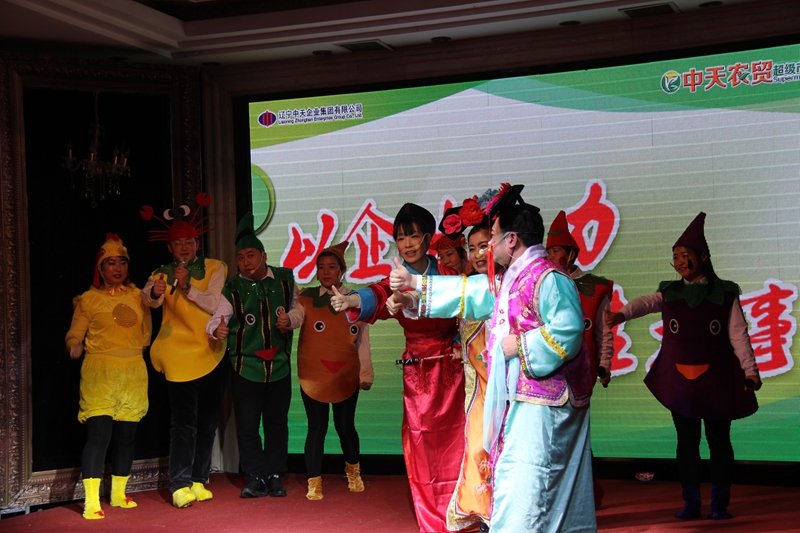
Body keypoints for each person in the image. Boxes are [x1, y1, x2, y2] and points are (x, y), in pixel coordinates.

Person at [390, 184, 596, 533]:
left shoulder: (548, 278)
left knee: (534, 482)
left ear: (512, 240)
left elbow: (568, 331)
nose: (488, 246)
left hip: (548, 401)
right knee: (520, 479)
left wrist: (522, 345)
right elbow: (468, 293)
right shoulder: (512, 279)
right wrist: (416, 285)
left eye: (493, 238)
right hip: (524, 397)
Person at [604, 212, 761, 521]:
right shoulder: (671, 292)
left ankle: (719, 503)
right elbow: (646, 303)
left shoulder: (724, 293)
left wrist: (750, 371)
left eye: (685, 255)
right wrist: (621, 315)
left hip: (716, 381)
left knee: (719, 442)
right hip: (681, 382)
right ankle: (691, 502)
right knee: (686, 444)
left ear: (703, 257)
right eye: (675, 257)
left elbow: (738, 334)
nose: (679, 262)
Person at [331, 203, 463, 533]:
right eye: (401, 238)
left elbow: (466, 309)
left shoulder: (449, 276)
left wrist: (460, 341)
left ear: (428, 238)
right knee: (421, 440)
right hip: (418, 370)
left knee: (458, 438)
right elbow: (377, 294)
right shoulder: (395, 279)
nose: (407, 243)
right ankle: (433, 515)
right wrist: (351, 300)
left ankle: (463, 510)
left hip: (453, 365)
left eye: (414, 236)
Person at [140, 194, 228, 509]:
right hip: (178, 355)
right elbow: (146, 299)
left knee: (208, 421)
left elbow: (213, 303)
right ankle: (179, 483)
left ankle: (198, 479)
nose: (184, 248)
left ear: (197, 244)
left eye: (189, 242)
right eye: (178, 244)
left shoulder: (216, 267)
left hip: (211, 350)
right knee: (183, 423)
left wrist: (188, 285)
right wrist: (154, 292)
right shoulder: (160, 273)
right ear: (170, 248)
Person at [206, 213, 297, 499]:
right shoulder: (233, 289)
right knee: (247, 425)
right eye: (241, 257)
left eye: (251, 256)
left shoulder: (285, 280)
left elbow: (299, 309)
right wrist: (216, 330)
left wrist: (291, 320)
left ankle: (275, 475)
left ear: (263, 256)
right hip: (246, 368)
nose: (246, 262)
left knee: (276, 424)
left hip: (279, 366)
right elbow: (216, 318)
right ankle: (256, 476)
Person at [65, 234, 151, 519]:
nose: (117, 268)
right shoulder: (89, 299)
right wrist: (74, 346)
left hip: (132, 374)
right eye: (111, 263)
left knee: (126, 437)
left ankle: (118, 494)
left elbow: (145, 336)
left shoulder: (138, 297)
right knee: (99, 435)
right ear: (100, 268)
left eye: (122, 263)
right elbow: (75, 333)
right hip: (100, 374)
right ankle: (91, 501)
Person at [280, 241, 374, 500]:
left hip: (346, 374)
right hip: (314, 375)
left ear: (342, 270)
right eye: (321, 267)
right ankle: (314, 481)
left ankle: (353, 473)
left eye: (331, 267)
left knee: (345, 426)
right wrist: (287, 320)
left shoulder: (356, 301)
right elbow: (297, 316)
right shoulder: (306, 297)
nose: (325, 272)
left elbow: (362, 342)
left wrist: (365, 374)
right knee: (316, 427)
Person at [546, 209, 614, 508]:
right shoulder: (542, 284)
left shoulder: (595, 287)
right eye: (547, 251)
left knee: (577, 435)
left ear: (572, 253)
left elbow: (603, 332)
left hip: (581, 373)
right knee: (551, 436)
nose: (550, 257)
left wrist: (604, 364)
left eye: (556, 251)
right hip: (548, 372)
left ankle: (586, 495)